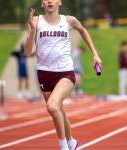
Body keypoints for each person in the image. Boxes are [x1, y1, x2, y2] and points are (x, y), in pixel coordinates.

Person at [24, 0, 102, 149]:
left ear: (59, 2)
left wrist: (95, 54)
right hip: (44, 73)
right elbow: (27, 52)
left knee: (53, 107)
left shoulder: (69, 20)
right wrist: (33, 30)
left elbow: (83, 31)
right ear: (42, 4)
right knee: (58, 110)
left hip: (65, 72)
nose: (49, 1)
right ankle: (71, 142)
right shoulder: (36, 21)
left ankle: (64, 146)